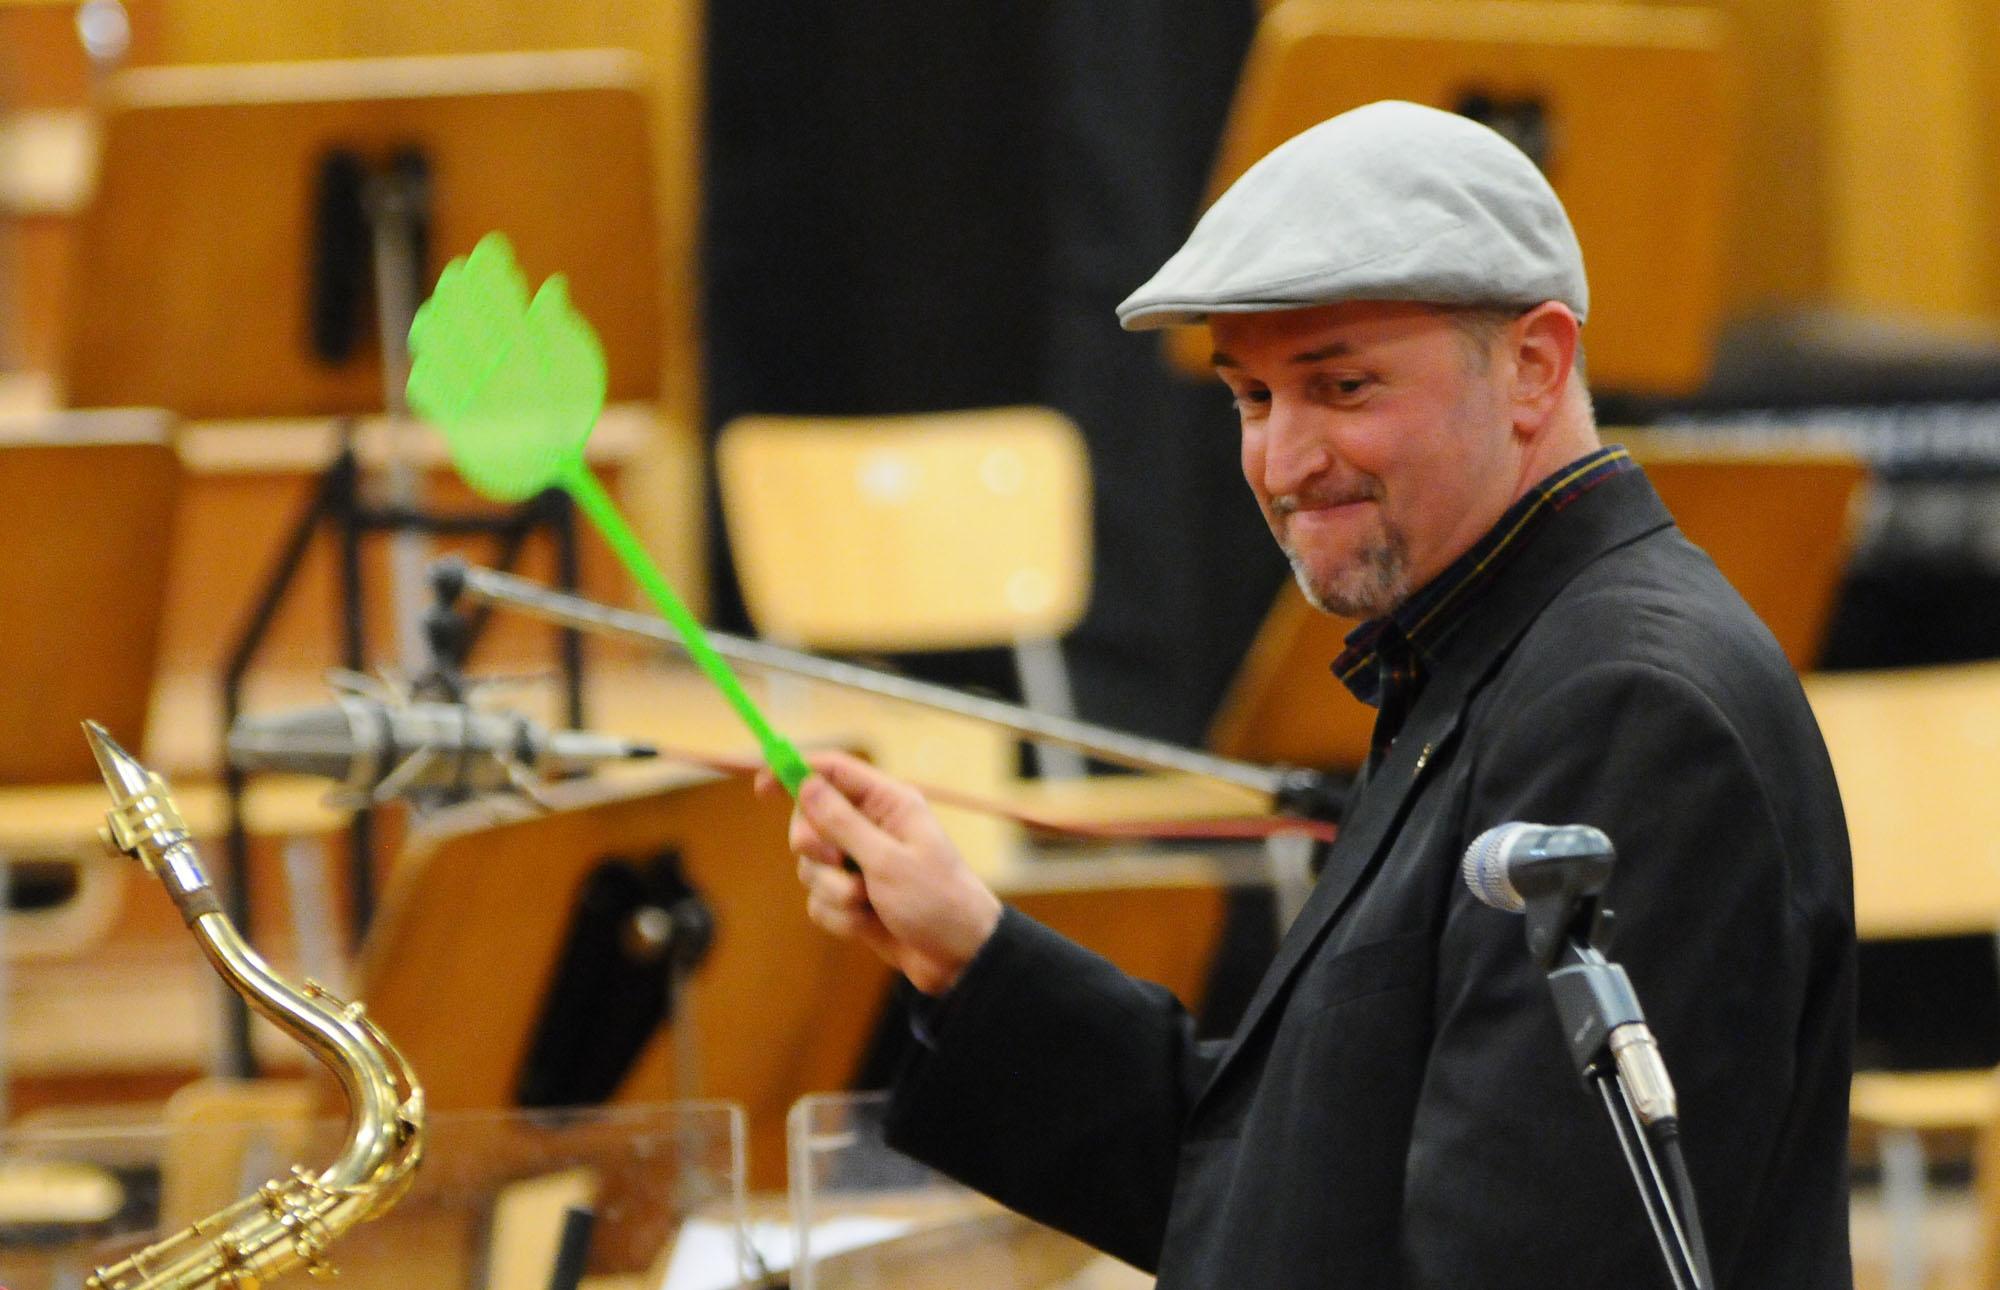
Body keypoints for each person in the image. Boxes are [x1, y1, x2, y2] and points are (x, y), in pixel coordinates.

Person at [766, 101, 1854, 1287]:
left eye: (1341, 388)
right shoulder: (1503, 652)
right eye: (1250, 399)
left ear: (1533, 368)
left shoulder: (1621, 709)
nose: (1281, 464)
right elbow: (1291, 1188)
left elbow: (1508, 1259)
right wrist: (971, 960)